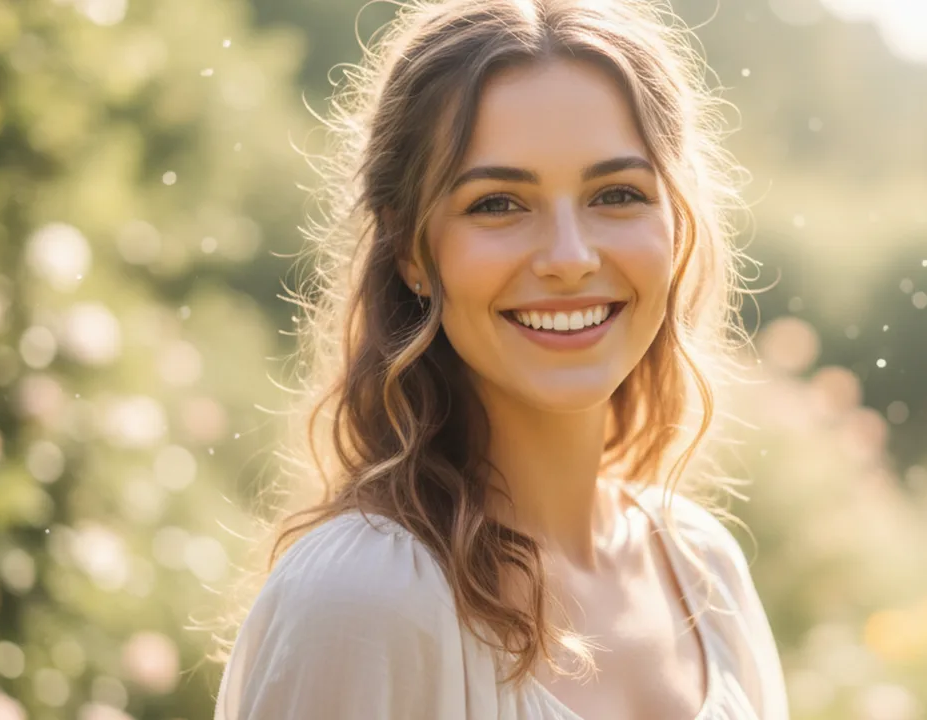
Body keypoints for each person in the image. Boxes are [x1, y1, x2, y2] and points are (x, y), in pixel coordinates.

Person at [212, 0, 790, 717]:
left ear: (676, 226)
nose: (570, 259)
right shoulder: (360, 599)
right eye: (498, 204)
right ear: (410, 252)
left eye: (617, 194)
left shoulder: (704, 570)